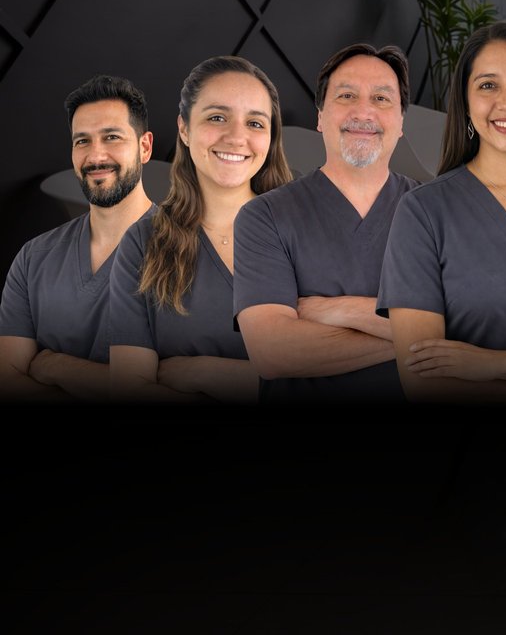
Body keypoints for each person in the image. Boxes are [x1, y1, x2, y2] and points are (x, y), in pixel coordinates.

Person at [378, 24, 506, 403]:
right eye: (488, 85)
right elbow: (423, 382)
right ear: (466, 103)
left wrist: (494, 364)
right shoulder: (424, 213)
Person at [234, 43, 416, 402]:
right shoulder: (265, 217)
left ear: (401, 123)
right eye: (346, 95)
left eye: (381, 99)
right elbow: (272, 353)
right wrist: (424, 334)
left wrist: (336, 310)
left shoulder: (435, 213)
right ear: (319, 117)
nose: (363, 112)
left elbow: (469, 330)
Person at [107, 57, 292, 403]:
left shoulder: (305, 234)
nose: (237, 137)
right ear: (185, 129)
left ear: (270, 138)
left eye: (255, 123)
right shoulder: (143, 243)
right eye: (217, 117)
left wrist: (206, 374)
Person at [1, 76, 154, 401]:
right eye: (82, 141)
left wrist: (56, 366)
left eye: (111, 137)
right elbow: (7, 381)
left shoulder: (195, 251)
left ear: (144, 147)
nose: (96, 157)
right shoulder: (33, 258)